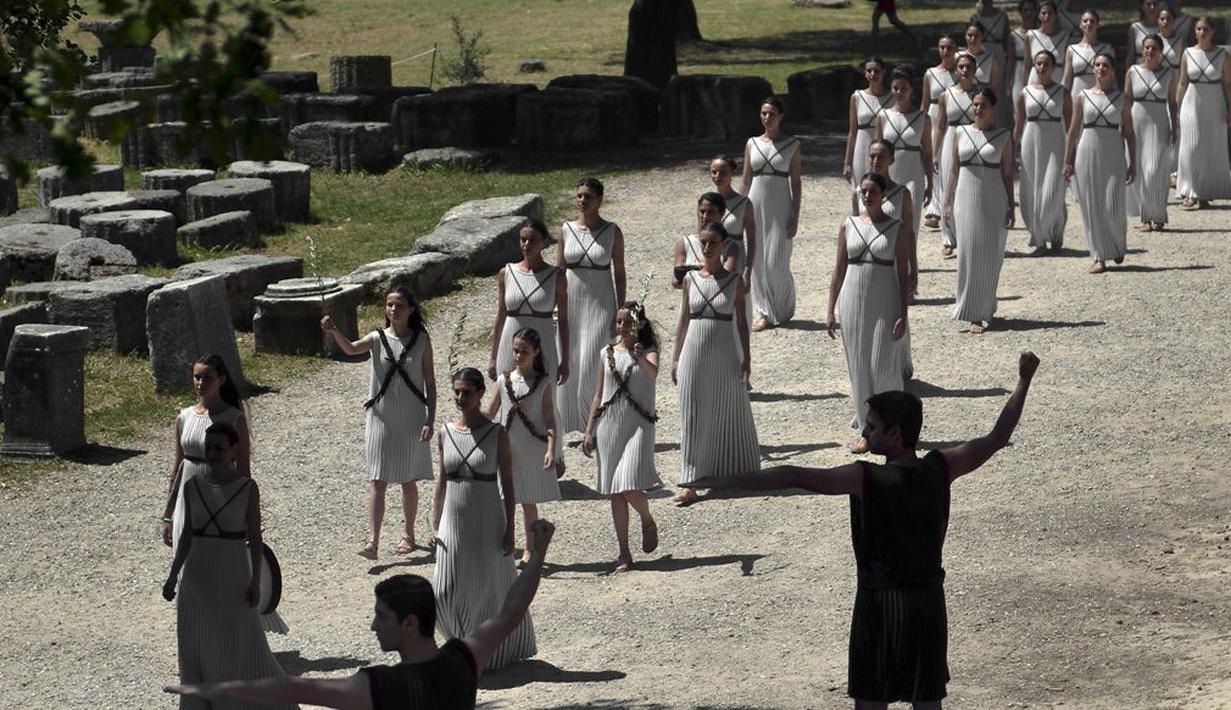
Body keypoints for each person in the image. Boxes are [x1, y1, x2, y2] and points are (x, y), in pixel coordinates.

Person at [683, 352, 1042, 710]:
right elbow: (997, 437)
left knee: (871, 702)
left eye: (871, 426)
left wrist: (724, 480)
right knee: (927, 702)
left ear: (895, 433)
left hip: (879, 605)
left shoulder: (865, 478)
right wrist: (1023, 381)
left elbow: (793, 474)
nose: (865, 432)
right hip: (927, 605)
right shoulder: (941, 467)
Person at [165, 520, 558, 709]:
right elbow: (511, 610)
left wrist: (211, 689)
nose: (373, 625)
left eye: (381, 616)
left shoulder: (381, 686)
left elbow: (297, 689)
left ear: (409, 623)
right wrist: (538, 554)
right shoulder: (464, 659)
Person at [162, 422, 293, 710]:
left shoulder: (247, 488)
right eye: (208, 447)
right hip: (196, 576)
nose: (212, 453)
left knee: (242, 642)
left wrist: (255, 581)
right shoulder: (192, 485)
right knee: (194, 645)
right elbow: (186, 536)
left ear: (234, 449)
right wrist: (173, 577)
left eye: (218, 447)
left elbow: (256, 539)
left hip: (232, 574)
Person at [432, 367, 535, 670]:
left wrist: (511, 529)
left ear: (479, 394)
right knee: (444, 589)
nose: (460, 397)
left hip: (488, 517)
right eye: (457, 391)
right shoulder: (446, 432)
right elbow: (440, 480)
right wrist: (435, 523)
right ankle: (459, 642)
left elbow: (509, 483)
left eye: (466, 392)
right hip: (453, 518)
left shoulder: (496, 434)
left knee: (486, 587)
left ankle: (482, 653)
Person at [323, 285, 436, 560]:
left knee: (408, 478)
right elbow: (350, 350)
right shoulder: (376, 338)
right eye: (389, 305)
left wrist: (430, 420)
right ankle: (372, 541)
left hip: (411, 417)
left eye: (398, 305)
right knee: (377, 478)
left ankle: (408, 534)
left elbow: (430, 384)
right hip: (380, 417)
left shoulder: (421, 341)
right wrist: (333, 330)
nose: (393, 310)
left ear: (411, 309)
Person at [671, 222, 759, 505]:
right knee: (692, 413)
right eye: (703, 243)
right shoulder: (691, 280)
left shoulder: (735, 282)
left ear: (724, 245)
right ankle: (691, 481)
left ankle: (732, 470)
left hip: (724, 353)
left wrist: (746, 357)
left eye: (712, 243)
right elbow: (683, 319)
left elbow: (743, 324)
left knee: (727, 408)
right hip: (692, 354)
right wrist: (675, 357)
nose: (707, 248)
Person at [826, 173, 910, 454]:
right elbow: (838, 270)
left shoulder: (895, 228)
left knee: (883, 364)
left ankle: (895, 426)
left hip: (884, 301)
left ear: (883, 194)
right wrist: (830, 309)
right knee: (859, 366)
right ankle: (867, 432)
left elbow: (903, 273)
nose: (867, 196)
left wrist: (903, 313)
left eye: (873, 191)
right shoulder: (848, 225)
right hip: (852, 301)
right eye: (863, 191)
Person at [581, 301, 661, 572]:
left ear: (639, 324)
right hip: (609, 426)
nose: (622, 327)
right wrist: (589, 430)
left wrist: (639, 356)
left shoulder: (648, 351)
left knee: (628, 484)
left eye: (628, 322)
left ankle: (647, 518)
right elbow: (598, 393)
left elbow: (652, 375)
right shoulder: (606, 353)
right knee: (615, 491)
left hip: (638, 424)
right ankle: (624, 552)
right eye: (619, 322)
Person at [484, 328, 560, 568]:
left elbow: (549, 419)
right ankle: (506, 544)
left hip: (531, 447)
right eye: (516, 351)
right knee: (504, 498)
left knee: (527, 499)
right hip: (507, 447)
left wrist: (551, 449)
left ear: (536, 352)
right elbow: (490, 412)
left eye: (524, 351)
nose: (519, 356)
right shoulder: (503, 380)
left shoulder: (543, 384)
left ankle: (530, 549)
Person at [557, 177, 626, 434]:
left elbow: (619, 272)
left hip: (600, 303)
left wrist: (621, 309)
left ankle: (595, 423)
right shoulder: (566, 230)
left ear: (600, 200)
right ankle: (574, 422)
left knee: (591, 363)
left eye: (588, 196)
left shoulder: (612, 232)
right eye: (579, 196)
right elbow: (559, 271)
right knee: (572, 360)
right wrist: (556, 306)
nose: (582, 201)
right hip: (571, 303)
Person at [161, 354, 250, 553]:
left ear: (222, 380)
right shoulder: (183, 418)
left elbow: (244, 471)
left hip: (221, 499)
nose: (200, 383)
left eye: (207, 378)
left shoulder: (235, 420)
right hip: (188, 500)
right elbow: (178, 469)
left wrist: (247, 514)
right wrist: (168, 515)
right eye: (197, 377)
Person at [944, 88, 1014, 332]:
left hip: (993, 199)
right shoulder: (960, 132)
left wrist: (1011, 205)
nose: (978, 109)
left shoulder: (1004, 136)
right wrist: (947, 202)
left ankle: (983, 311)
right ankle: (970, 308)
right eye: (975, 104)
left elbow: (1007, 173)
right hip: (965, 197)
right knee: (968, 253)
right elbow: (953, 169)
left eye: (983, 105)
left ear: (993, 108)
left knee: (989, 255)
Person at [1065, 53, 1137, 273]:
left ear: (1113, 70)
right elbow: (1073, 131)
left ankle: (1116, 244)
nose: (1101, 68)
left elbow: (1130, 133)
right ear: (1093, 69)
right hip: (1087, 152)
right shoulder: (1082, 96)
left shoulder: (1122, 98)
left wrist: (1133, 162)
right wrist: (1067, 161)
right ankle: (1098, 255)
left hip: (1114, 151)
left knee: (1113, 200)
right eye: (1097, 65)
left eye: (1105, 65)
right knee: (1092, 204)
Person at [742, 96, 802, 331]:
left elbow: (796, 183)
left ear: (781, 116)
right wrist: (737, 209)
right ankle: (764, 311)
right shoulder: (752, 144)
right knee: (757, 259)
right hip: (755, 202)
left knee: (777, 259)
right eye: (764, 113)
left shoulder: (792, 145)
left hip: (780, 205)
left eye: (772, 114)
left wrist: (795, 216)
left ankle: (785, 307)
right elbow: (746, 180)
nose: (767, 118)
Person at [487, 220, 570, 388]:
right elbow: (501, 315)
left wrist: (565, 361)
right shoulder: (506, 273)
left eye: (532, 240)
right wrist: (493, 357)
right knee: (509, 398)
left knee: (544, 403)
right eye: (523, 239)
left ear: (544, 242)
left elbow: (563, 320)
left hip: (543, 346)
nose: (527, 244)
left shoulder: (557, 277)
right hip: (510, 344)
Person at [867, 140, 917, 381]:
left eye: (881, 156)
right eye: (872, 157)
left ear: (892, 159)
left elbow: (909, 233)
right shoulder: (862, 192)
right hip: (872, 264)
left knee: (897, 312)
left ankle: (899, 365)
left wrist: (914, 269)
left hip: (895, 263)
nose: (876, 161)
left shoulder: (901, 194)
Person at [1015, 50, 1072, 253]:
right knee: (1031, 192)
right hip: (1031, 144)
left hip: (1055, 143)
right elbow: (1019, 124)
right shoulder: (1025, 92)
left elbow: (1071, 126)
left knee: (1052, 191)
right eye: (1038, 64)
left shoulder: (1063, 93)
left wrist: (1071, 156)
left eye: (1045, 64)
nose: (1041, 67)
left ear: (1053, 67)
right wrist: (1011, 149)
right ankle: (1039, 239)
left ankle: (1055, 231)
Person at [1175, 17, 1231, 210]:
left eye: (1206, 29)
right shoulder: (1188, 53)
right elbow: (1182, 82)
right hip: (1191, 101)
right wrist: (1177, 108)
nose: (1202, 32)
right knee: (1190, 146)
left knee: (1209, 146)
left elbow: (1228, 84)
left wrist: (1229, 107)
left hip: (1214, 101)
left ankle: (1205, 191)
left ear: (1213, 31)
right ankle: (1190, 191)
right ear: (1195, 32)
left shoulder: (1222, 54)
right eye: (1199, 29)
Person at [1125, 35, 1178, 231]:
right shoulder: (1133, 71)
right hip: (1137, 121)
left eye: (1154, 48)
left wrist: (1175, 126)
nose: (1150, 51)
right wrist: (1124, 124)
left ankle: (1158, 213)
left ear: (1160, 51)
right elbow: (1126, 99)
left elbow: (1172, 102)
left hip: (1158, 124)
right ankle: (1146, 217)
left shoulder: (1169, 74)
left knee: (1155, 169)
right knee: (1138, 169)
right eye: (1146, 47)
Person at [876, 65, 933, 239]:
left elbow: (928, 154)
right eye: (895, 88)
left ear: (911, 90)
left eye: (904, 89)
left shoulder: (923, 118)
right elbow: (875, 152)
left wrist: (930, 183)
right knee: (887, 222)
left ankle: (909, 264)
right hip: (888, 176)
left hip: (913, 176)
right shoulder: (883, 116)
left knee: (910, 223)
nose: (899, 92)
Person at [933, 52, 980, 258]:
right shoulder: (946, 95)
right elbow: (940, 126)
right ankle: (948, 238)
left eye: (968, 67)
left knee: (970, 188)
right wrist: (934, 153)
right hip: (951, 140)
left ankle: (969, 236)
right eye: (961, 67)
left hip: (973, 140)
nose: (964, 70)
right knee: (947, 189)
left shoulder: (981, 94)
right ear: (955, 69)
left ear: (975, 69)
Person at [844, 58, 895, 215]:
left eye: (877, 71)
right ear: (865, 74)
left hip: (883, 146)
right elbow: (852, 131)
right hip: (862, 144)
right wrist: (847, 162)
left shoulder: (892, 97)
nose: (873, 74)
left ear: (884, 72)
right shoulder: (857, 97)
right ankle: (859, 221)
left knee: (882, 184)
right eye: (869, 71)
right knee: (861, 187)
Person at [922, 35, 958, 231]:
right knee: (934, 161)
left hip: (953, 118)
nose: (946, 51)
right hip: (934, 115)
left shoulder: (962, 72)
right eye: (942, 47)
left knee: (950, 162)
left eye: (949, 47)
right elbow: (925, 101)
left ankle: (950, 204)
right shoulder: (930, 73)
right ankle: (935, 208)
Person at [708, 154, 757, 295]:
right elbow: (700, 234)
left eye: (722, 172)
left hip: (737, 258)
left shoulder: (744, 204)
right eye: (714, 172)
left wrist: (748, 271)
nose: (717, 176)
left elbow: (752, 241)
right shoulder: (706, 202)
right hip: (711, 256)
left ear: (732, 174)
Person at [971, 0, 1015, 126]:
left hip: (998, 54)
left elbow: (1007, 38)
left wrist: (1007, 58)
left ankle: (999, 124)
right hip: (981, 53)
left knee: (998, 90)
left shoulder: (1002, 16)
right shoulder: (975, 17)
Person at [1063, 9, 1111, 100]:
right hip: (1077, 95)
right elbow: (1066, 80)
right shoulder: (1072, 49)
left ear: (1097, 25)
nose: (1088, 24)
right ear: (1080, 25)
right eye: (1085, 21)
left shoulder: (1107, 48)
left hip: (1101, 95)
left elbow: (1112, 78)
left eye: (1092, 21)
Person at [1009, 0, 1040, 132]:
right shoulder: (1013, 35)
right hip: (1019, 71)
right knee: (1019, 107)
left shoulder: (1041, 34)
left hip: (1037, 71)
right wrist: (1008, 82)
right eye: (1025, 10)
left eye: (1031, 10)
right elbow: (1010, 60)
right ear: (1020, 12)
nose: (1028, 13)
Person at [1023, 2, 1068, 87]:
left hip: (1056, 80)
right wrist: (1024, 86)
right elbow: (1026, 65)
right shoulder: (1031, 35)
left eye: (1050, 13)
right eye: (1043, 13)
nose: (1047, 16)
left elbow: (1066, 67)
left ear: (1055, 15)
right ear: (1039, 15)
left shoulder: (1064, 37)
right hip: (1035, 79)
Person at [959, 23, 1001, 96]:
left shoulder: (991, 58)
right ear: (965, 36)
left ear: (982, 37)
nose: (973, 39)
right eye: (970, 35)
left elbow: (993, 89)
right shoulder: (958, 57)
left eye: (976, 36)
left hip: (980, 103)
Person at [1127, 0, 1161, 67]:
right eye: (1148, 4)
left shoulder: (1163, 28)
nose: (1152, 7)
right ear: (1142, 6)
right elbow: (1130, 55)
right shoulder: (1135, 28)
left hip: (1160, 71)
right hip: (1139, 70)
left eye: (1154, 4)